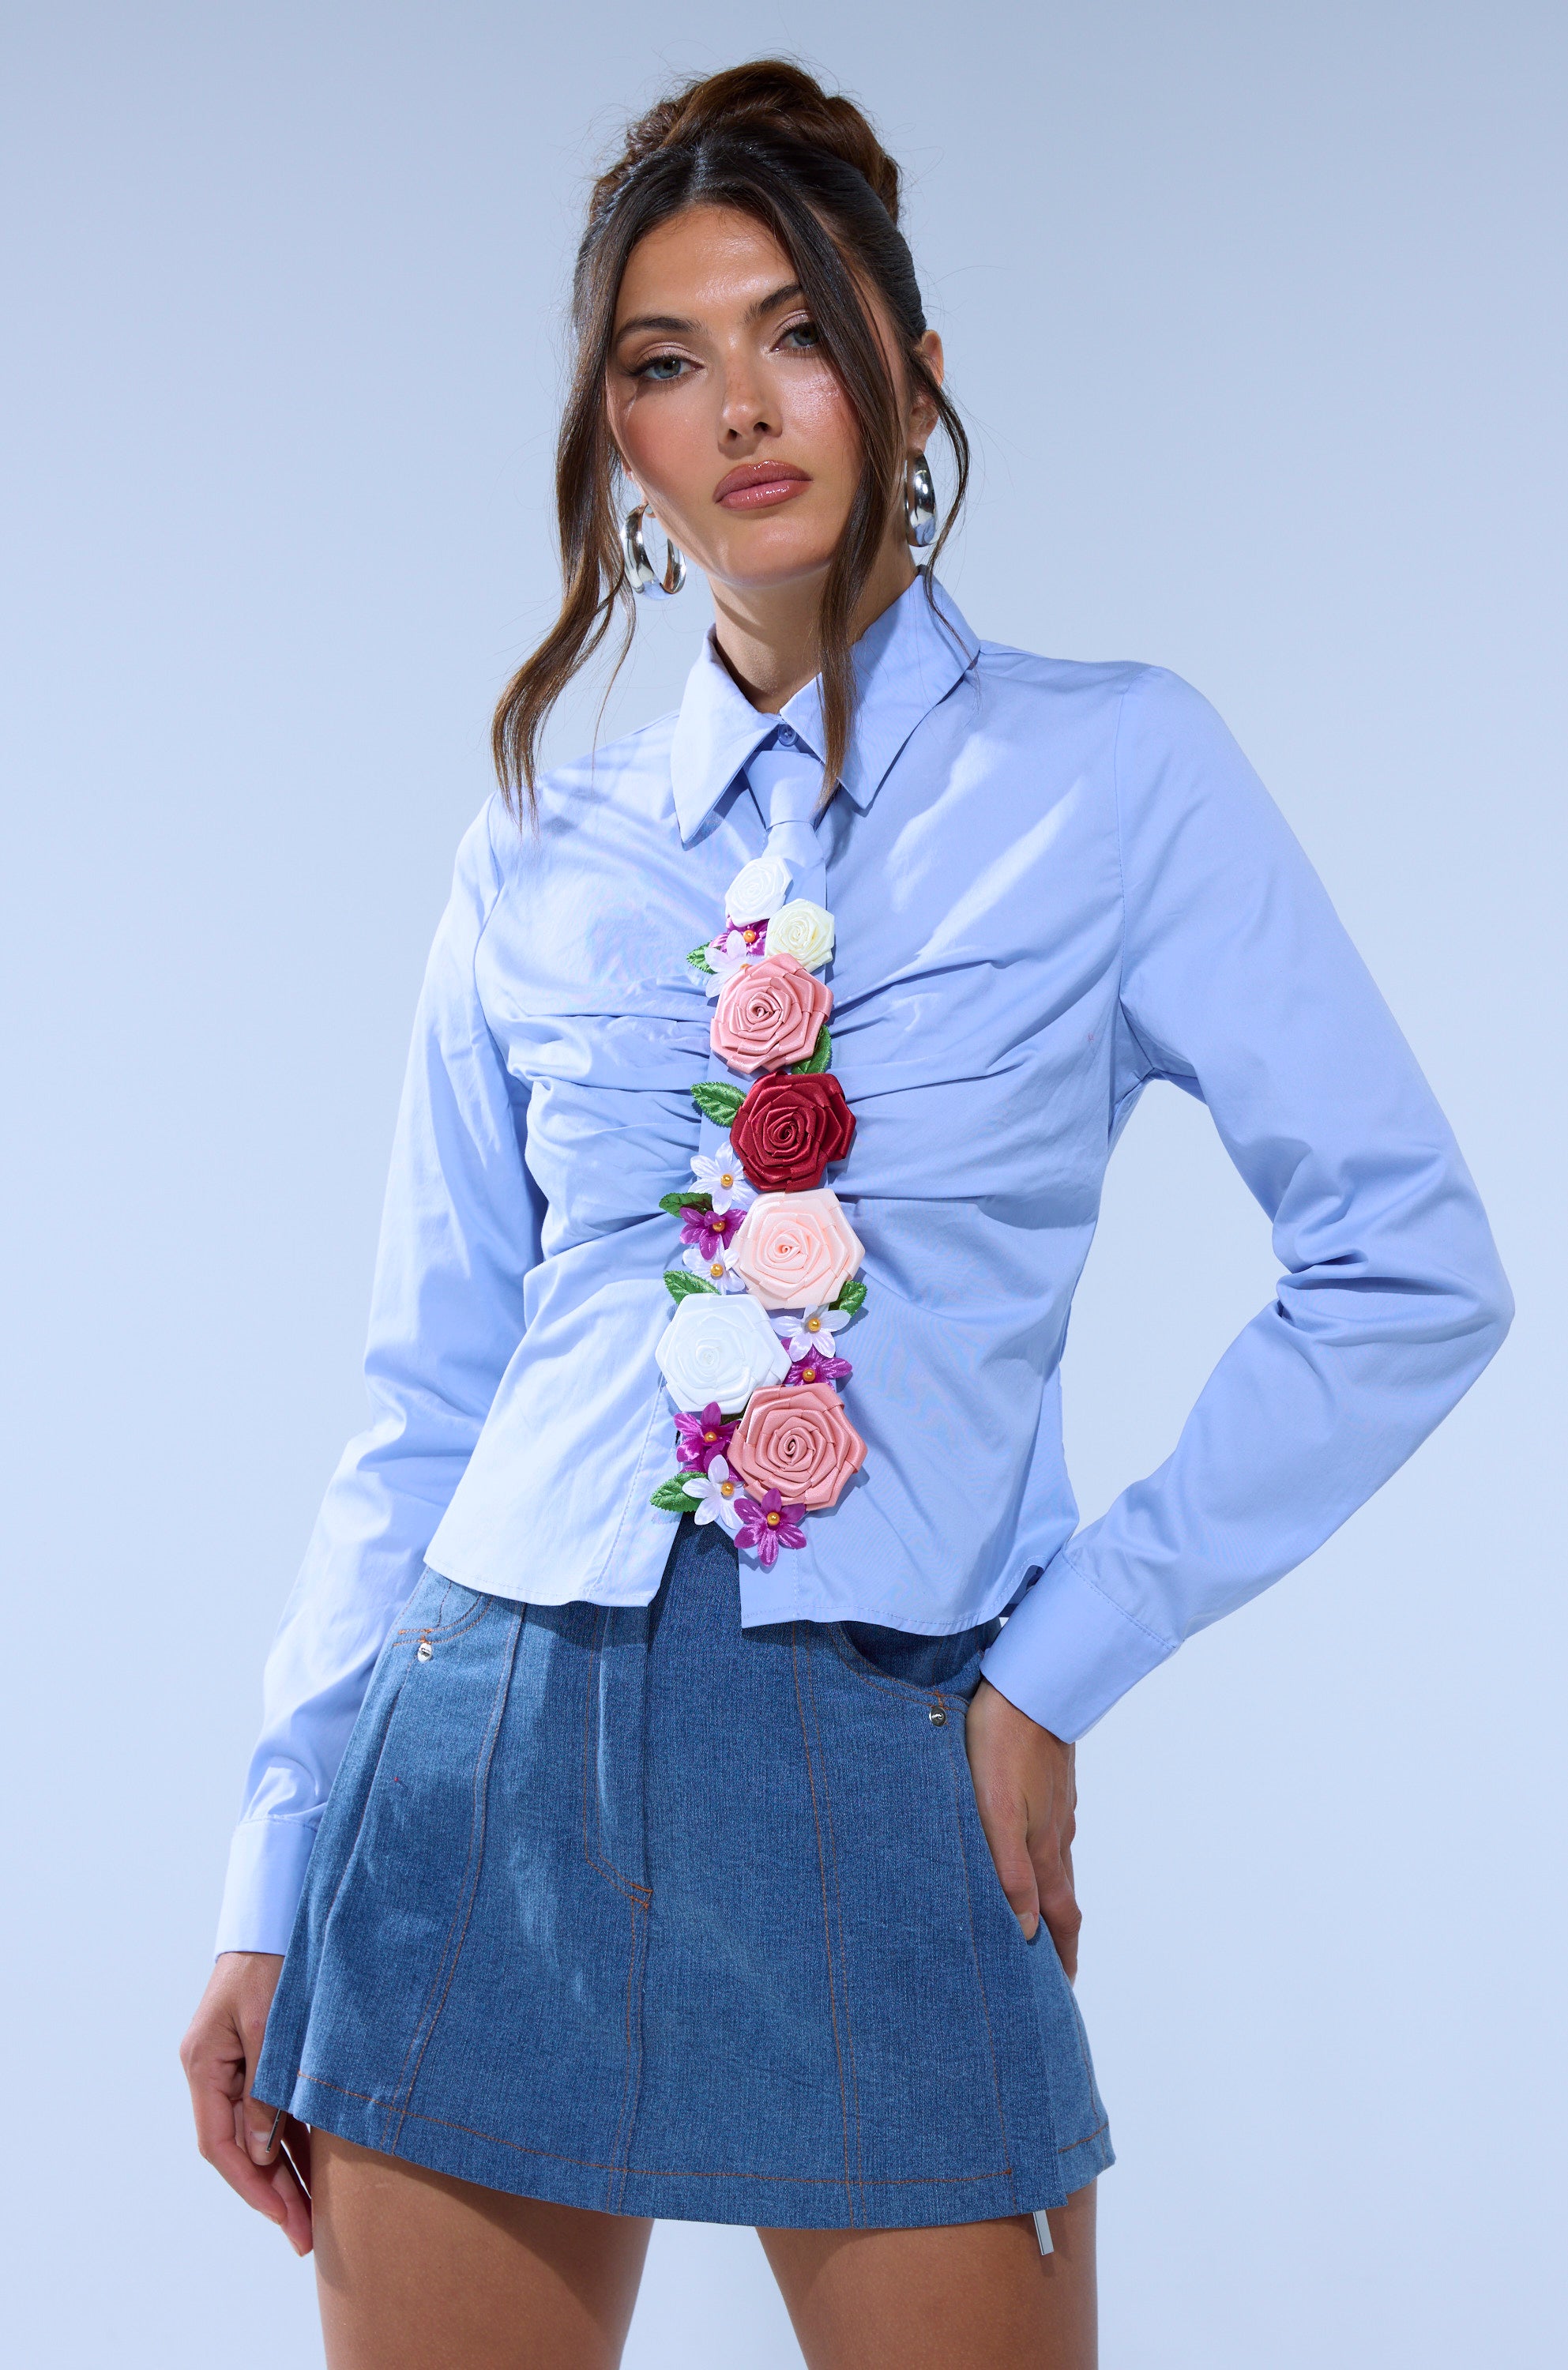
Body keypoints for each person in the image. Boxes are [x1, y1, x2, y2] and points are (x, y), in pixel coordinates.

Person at [180, 58, 1511, 2370]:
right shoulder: (536, 849)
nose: (740, 410)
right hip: (483, 1768)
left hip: (896, 1749)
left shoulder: (1121, 777)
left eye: (792, 330)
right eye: (663, 362)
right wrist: (273, 1867)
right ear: (616, 443)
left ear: (906, 358)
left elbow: (1406, 1267)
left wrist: (1061, 1658)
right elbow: (422, 1392)